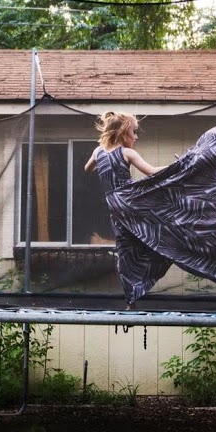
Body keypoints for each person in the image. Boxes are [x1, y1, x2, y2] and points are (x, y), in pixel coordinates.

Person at [84, 111, 164, 308]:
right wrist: (179, 166)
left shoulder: (98, 152)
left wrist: (101, 164)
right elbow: (152, 172)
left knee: (125, 251)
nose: (136, 137)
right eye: (134, 132)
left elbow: (87, 168)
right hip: (130, 200)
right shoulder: (127, 153)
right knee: (161, 230)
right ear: (122, 133)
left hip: (116, 208)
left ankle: (131, 300)